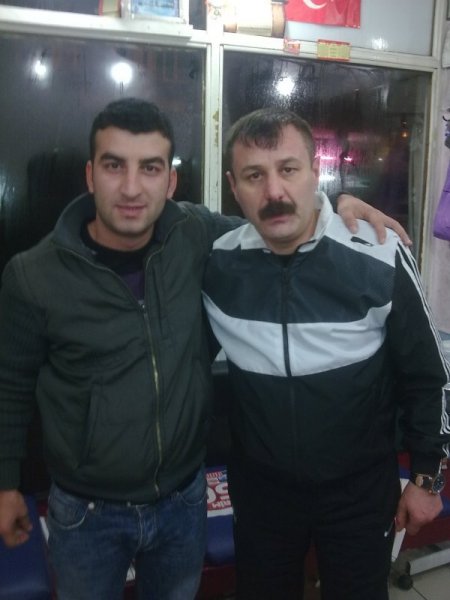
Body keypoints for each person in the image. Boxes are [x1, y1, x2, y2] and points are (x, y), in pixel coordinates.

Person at [0, 97, 409, 600]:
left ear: (171, 181)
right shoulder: (33, 276)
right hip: (86, 512)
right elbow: (8, 384)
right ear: (90, 175)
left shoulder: (194, 235)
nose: (132, 187)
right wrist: (5, 484)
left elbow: (278, 220)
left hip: (182, 502)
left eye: (150, 168)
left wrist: (339, 204)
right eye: (114, 166)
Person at [202, 108, 450, 600]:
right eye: (254, 175)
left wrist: (427, 478)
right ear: (233, 186)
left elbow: (427, 374)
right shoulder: (218, 263)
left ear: (316, 170)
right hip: (261, 492)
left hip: (359, 492)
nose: (274, 191)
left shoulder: (378, 252)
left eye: (288, 169)